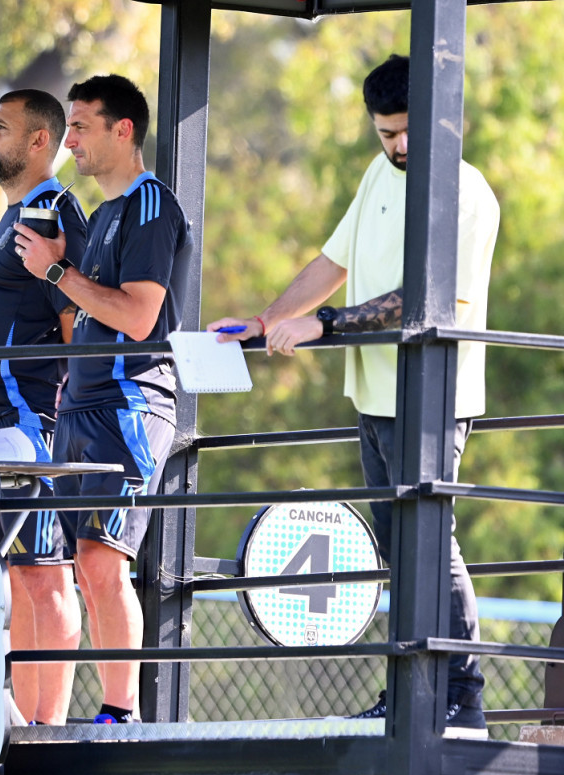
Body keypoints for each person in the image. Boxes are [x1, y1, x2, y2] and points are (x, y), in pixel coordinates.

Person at [207, 54, 499, 738]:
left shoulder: (465, 190)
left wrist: (326, 324)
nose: (396, 145)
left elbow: (424, 298)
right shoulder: (378, 175)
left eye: (405, 131)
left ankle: (463, 697)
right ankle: (409, 694)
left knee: (430, 542)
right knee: (400, 550)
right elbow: (331, 263)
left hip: (433, 392)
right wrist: (267, 320)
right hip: (373, 396)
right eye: (384, 132)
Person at [16, 74, 193, 724]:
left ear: (124, 130)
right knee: (73, 565)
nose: (73, 140)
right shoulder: (105, 212)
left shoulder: (151, 204)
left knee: (102, 561)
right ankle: (43, 716)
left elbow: (139, 315)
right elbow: (91, 302)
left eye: (83, 125)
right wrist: (67, 264)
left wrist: (57, 271)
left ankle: (121, 711)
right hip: (80, 407)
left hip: (128, 403)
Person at [0, 89, 87, 726]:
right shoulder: (10, 214)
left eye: (1, 127)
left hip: (36, 420)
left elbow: (78, 321)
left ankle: (47, 724)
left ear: (38, 141)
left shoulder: (50, 209)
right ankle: (20, 717)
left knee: (45, 570)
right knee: (18, 571)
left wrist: (71, 418)